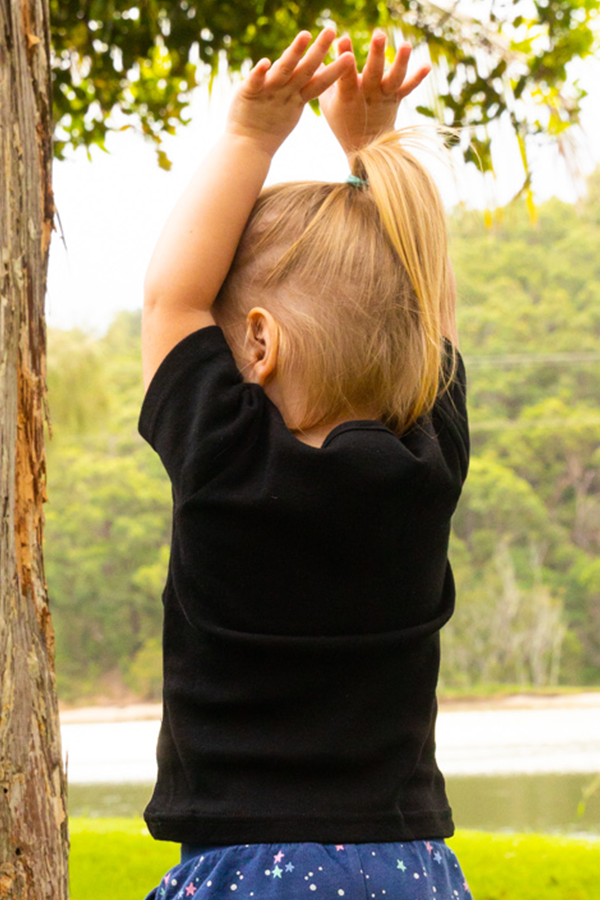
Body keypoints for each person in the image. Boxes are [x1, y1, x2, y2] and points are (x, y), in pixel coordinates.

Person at [139, 25, 471, 900]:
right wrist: (375, 148)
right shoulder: (425, 471)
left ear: (256, 339)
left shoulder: (222, 464)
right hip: (408, 868)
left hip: (249, 870)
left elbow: (170, 297)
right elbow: (427, 321)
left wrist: (251, 135)